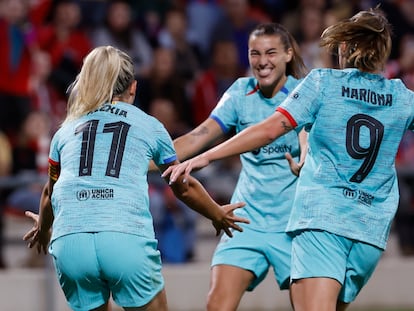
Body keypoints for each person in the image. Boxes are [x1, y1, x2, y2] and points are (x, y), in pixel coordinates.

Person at [165, 7, 409, 311]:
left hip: (322, 221)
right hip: (369, 231)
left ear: (344, 46)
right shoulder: (403, 97)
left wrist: (207, 157)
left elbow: (269, 130)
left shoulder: (322, 83)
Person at [22, 45, 249, 311]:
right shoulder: (148, 124)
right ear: (133, 87)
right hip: (123, 237)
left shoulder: (65, 130)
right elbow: (181, 186)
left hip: (71, 242)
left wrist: (43, 228)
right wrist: (216, 213)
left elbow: (50, 192)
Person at [157, 22, 308, 311]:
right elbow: (197, 137)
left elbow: (307, 138)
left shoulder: (304, 93)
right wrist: (143, 161)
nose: (262, 61)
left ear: (288, 54)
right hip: (246, 221)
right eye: (255, 53)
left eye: (271, 53)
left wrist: (306, 157)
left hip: (294, 225)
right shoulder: (240, 92)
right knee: (216, 305)